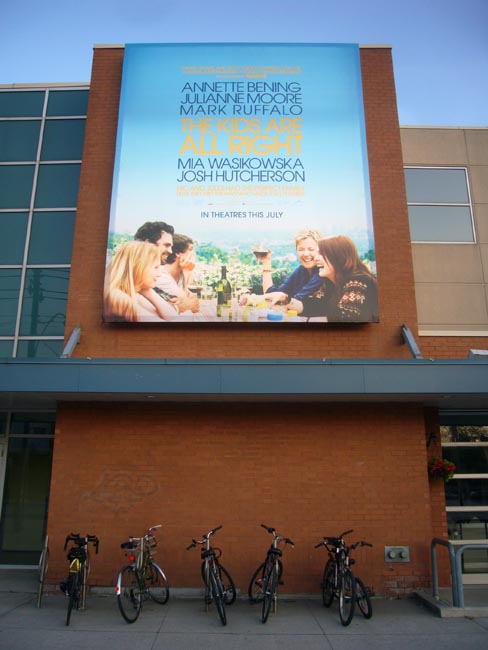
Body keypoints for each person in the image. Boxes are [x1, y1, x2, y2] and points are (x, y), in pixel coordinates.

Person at [286, 235, 378, 322]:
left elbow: (345, 317)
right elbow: (314, 306)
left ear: (338, 257)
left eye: (320, 254)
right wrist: (285, 300)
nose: (316, 258)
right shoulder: (331, 284)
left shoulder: (358, 281)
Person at [103, 240, 180, 322]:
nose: (159, 274)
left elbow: (174, 318)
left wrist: (148, 290)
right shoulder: (117, 298)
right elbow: (171, 326)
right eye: (156, 267)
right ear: (138, 267)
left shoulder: (136, 293)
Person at [257, 228, 324, 304]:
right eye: (301, 249)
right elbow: (273, 294)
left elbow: (298, 300)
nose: (305, 254)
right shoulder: (301, 271)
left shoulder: (322, 272)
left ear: (320, 251)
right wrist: (266, 263)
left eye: (311, 249)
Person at [158, 234, 199, 313]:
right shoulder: (161, 276)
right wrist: (188, 271)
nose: (193, 254)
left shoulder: (182, 272)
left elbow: (194, 304)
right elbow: (190, 306)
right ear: (178, 253)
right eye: (190, 250)